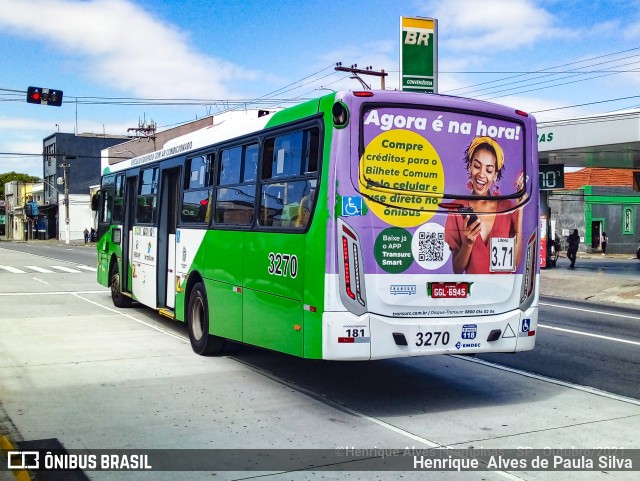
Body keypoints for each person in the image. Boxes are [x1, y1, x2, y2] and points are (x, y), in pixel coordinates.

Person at [445, 136, 525, 274]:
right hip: (474, 292)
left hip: (503, 292)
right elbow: (457, 269)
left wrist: (520, 210)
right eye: (477, 166)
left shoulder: (507, 207)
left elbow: (515, 263)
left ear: (495, 175)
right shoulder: (457, 209)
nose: (481, 174)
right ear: (469, 167)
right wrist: (467, 244)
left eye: (488, 170)